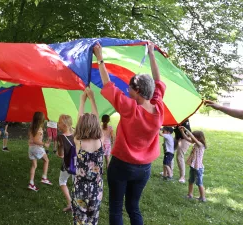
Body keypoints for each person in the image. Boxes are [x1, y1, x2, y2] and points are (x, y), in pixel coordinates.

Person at [95, 41, 166, 225]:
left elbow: (107, 85)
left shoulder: (130, 108)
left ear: (138, 91)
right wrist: (151, 53)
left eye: (130, 88)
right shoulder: (158, 107)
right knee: (133, 207)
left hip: (121, 166)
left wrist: (100, 58)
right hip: (144, 169)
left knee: (116, 208)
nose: (127, 90)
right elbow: (158, 81)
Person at [72, 89, 104, 225]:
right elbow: (96, 119)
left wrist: (82, 101)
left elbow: (80, 120)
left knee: (80, 221)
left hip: (80, 189)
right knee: (93, 220)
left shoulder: (78, 142)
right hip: (96, 189)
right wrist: (92, 99)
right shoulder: (100, 141)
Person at [179, 127, 207, 202]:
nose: (192, 138)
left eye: (195, 137)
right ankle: (190, 195)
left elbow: (192, 137)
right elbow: (187, 138)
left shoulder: (201, 145)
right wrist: (182, 131)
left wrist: (186, 130)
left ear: (199, 138)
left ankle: (203, 197)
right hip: (193, 166)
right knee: (190, 181)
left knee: (199, 183)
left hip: (198, 168)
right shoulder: (195, 143)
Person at [28, 111, 52, 191]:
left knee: (34, 165)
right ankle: (44, 177)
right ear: (41, 120)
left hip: (31, 148)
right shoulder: (39, 129)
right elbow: (35, 141)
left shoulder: (32, 127)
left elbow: (32, 139)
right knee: (46, 160)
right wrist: (44, 144)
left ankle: (31, 183)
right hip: (37, 148)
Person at [56, 114, 74, 212]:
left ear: (64, 125)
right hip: (77, 165)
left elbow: (61, 154)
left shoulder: (60, 137)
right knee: (77, 185)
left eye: (59, 122)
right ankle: (80, 206)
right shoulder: (76, 135)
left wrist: (58, 154)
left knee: (62, 181)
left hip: (67, 165)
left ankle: (70, 203)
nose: (58, 124)